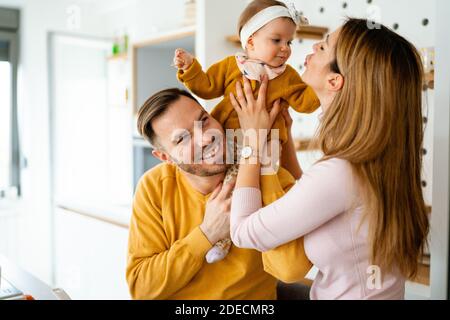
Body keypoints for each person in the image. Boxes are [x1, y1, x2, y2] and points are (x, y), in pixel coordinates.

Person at [229, 18, 430, 299]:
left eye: (323, 47)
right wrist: (282, 136)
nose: (312, 46)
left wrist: (252, 140)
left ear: (335, 80)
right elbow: (314, 198)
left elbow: (243, 231)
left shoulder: (341, 172)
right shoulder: (375, 161)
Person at [126, 88, 312, 300]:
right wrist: (206, 234)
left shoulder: (268, 174)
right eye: (182, 140)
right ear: (165, 157)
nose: (206, 138)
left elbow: (290, 269)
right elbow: (141, 288)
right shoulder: (154, 187)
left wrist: (257, 152)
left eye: (203, 120)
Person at [173, 0, 319, 263]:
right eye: (277, 40)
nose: (285, 49)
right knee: (226, 191)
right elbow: (206, 85)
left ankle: (274, 239)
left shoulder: (288, 77)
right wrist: (190, 69)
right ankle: (221, 239)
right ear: (250, 42)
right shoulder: (232, 66)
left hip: (266, 149)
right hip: (227, 145)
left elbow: (307, 101)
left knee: (266, 193)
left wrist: (322, 85)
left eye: (289, 43)